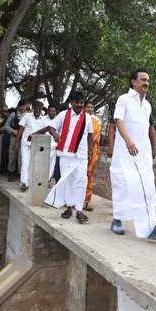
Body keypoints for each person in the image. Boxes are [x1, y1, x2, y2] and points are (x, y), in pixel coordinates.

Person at [110, 69, 156, 240]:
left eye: (148, 80)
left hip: (142, 154)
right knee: (123, 185)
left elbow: (149, 129)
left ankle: (152, 226)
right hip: (125, 152)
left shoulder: (147, 105)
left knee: (148, 187)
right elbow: (118, 121)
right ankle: (117, 220)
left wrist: (152, 149)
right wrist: (128, 141)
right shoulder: (124, 99)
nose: (146, 83)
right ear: (133, 82)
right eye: (143, 79)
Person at [45, 91, 94, 224]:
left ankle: (79, 210)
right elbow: (51, 127)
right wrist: (56, 135)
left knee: (81, 181)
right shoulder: (63, 115)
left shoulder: (88, 118)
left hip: (81, 155)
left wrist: (90, 151)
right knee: (67, 182)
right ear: (71, 103)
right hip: (66, 154)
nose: (79, 104)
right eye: (76, 102)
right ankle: (69, 207)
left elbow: (90, 135)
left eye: (81, 102)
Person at [15, 100, 50, 191]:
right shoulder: (27, 116)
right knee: (25, 162)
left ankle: (30, 182)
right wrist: (16, 142)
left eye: (40, 108)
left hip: (37, 146)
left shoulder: (44, 120)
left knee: (33, 164)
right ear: (33, 108)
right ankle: (23, 183)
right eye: (36, 108)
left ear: (42, 109)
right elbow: (21, 129)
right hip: (25, 144)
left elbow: (45, 131)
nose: (38, 110)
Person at [3, 100, 28, 180]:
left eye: (24, 106)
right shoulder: (13, 114)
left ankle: (21, 174)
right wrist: (12, 131)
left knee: (21, 156)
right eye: (22, 106)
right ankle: (10, 173)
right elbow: (6, 126)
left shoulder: (28, 115)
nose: (23, 108)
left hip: (23, 138)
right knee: (12, 155)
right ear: (18, 106)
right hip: (14, 136)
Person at [83, 102, 102, 211]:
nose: (90, 108)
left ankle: (87, 200)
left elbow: (95, 137)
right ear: (84, 108)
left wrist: (89, 149)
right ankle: (75, 200)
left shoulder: (96, 121)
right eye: (88, 107)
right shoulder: (80, 119)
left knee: (88, 173)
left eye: (92, 107)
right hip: (80, 151)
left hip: (92, 151)